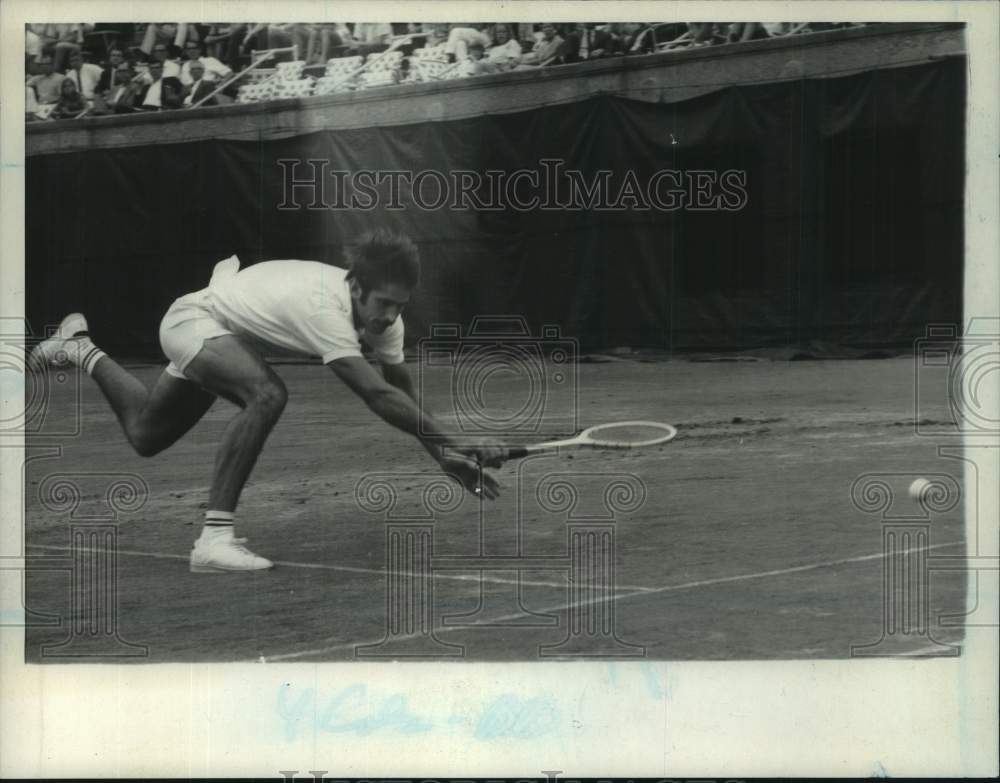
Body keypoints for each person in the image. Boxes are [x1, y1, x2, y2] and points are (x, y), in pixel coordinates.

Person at [31, 231, 507, 573]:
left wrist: (445, 456)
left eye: (401, 305)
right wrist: (459, 439)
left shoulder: (385, 320)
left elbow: (400, 389)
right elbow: (376, 395)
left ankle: (77, 347)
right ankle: (214, 539)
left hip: (225, 335)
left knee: (146, 434)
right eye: (384, 302)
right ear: (356, 287)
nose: (391, 315)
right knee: (266, 394)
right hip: (195, 321)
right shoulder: (326, 308)